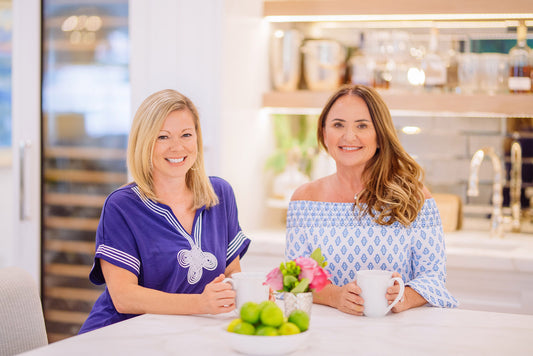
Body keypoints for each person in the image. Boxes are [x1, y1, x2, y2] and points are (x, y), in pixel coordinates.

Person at [79, 89, 250, 333]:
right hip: (120, 335)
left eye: (186, 135)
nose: (177, 147)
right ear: (144, 142)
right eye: (163, 137)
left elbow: (231, 272)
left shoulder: (220, 194)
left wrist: (250, 295)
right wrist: (201, 303)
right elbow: (123, 297)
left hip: (185, 333)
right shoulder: (122, 206)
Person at [285, 84, 458, 316]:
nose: (348, 136)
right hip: (328, 334)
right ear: (324, 134)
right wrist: (335, 297)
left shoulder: (414, 196)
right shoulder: (304, 199)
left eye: (362, 125)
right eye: (338, 125)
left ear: (380, 135)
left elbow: (433, 276)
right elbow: (296, 276)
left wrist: (404, 296)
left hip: (397, 335)